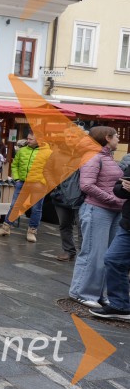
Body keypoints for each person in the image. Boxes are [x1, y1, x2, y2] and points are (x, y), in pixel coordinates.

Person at [69, 126, 125, 308]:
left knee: (108, 255)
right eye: (116, 136)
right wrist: (112, 199)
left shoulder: (106, 157)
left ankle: (99, 294)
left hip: (112, 211)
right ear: (107, 138)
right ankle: (81, 293)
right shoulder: (94, 157)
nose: (119, 139)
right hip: (97, 210)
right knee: (93, 252)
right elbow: (87, 185)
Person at [89, 164, 130, 321]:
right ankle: (120, 306)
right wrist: (124, 188)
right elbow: (117, 188)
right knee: (113, 259)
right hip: (127, 225)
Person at [0, 131, 51, 242]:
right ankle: (6, 227)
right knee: (14, 206)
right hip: (22, 183)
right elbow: (15, 165)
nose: (28, 140)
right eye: (28, 138)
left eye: (31, 139)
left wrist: (43, 182)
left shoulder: (48, 153)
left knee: (36, 209)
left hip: (38, 185)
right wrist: (17, 179)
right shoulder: (22, 151)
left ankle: (32, 231)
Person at [46, 128, 86, 262]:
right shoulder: (56, 153)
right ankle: (68, 251)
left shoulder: (85, 153)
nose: (69, 139)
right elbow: (47, 170)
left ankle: (83, 253)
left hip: (80, 196)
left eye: (73, 136)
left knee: (82, 226)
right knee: (64, 224)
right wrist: (54, 186)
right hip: (60, 195)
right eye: (67, 136)